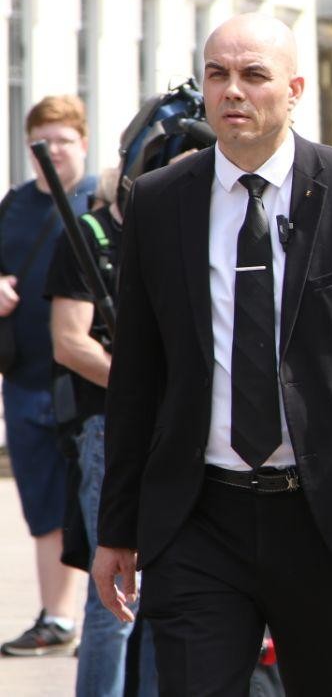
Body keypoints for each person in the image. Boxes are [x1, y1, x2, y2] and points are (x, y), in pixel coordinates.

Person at [91, 14, 332, 695]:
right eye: (218, 74)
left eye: (254, 75)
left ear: (295, 88)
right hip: (198, 517)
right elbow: (137, 375)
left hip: (323, 516)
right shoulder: (161, 202)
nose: (233, 92)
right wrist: (118, 527)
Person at [44, 165, 159, 694]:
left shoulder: (181, 231)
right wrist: (144, 388)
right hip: (108, 428)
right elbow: (70, 342)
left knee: (173, 594)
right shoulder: (88, 236)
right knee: (114, 592)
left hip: (177, 434)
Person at [0, 94, 99, 657]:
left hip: (86, 385)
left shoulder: (102, 203)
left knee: (96, 501)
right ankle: (57, 617)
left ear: (83, 143)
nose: (53, 151)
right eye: (43, 141)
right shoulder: (12, 206)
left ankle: (108, 620)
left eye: (64, 140)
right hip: (26, 379)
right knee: (42, 504)